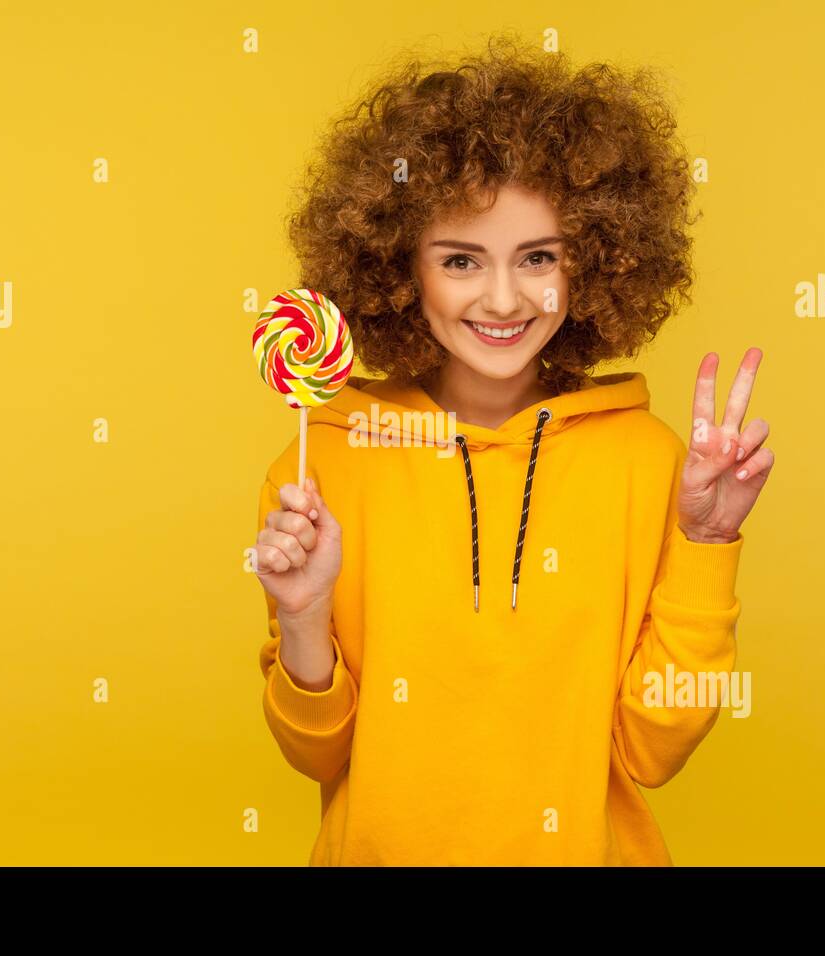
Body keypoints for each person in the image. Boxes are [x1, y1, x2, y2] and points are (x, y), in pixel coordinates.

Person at [251, 34, 774, 865]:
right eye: (461, 259)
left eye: (538, 258)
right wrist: (302, 611)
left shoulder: (649, 460)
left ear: (597, 265)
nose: (503, 298)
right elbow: (314, 754)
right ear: (398, 267)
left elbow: (654, 752)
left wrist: (706, 544)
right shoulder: (320, 467)